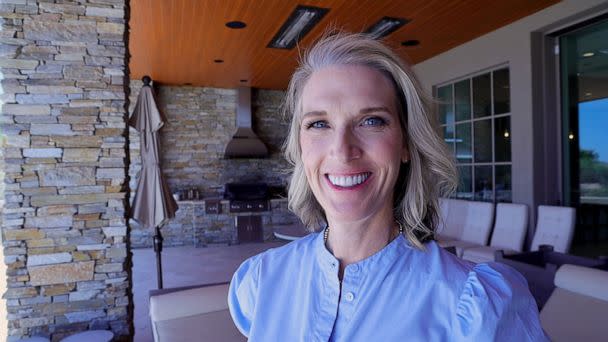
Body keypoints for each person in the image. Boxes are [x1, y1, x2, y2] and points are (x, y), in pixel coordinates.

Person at [228, 32, 547, 341]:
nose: (342, 149)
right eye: (319, 124)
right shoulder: (260, 281)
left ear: (406, 142)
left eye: (371, 120)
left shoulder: (475, 306)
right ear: (300, 144)